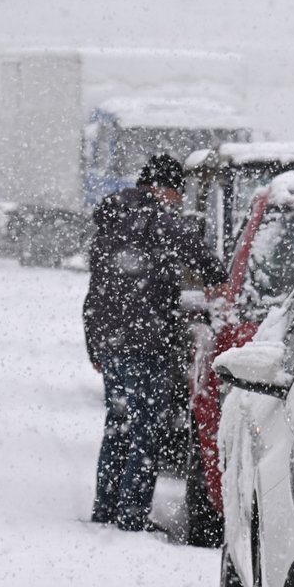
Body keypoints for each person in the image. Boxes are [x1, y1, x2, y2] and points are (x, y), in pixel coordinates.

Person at [83, 154, 227, 532]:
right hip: (146, 342)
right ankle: (130, 516)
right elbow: (203, 259)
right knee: (145, 433)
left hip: (112, 342)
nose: (179, 200)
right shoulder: (160, 219)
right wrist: (218, 276)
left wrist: (96, 346)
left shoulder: (111, 220)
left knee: (118, 427)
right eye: (177, 192)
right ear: (164, 188)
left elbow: (95, 292)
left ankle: (106, 507)